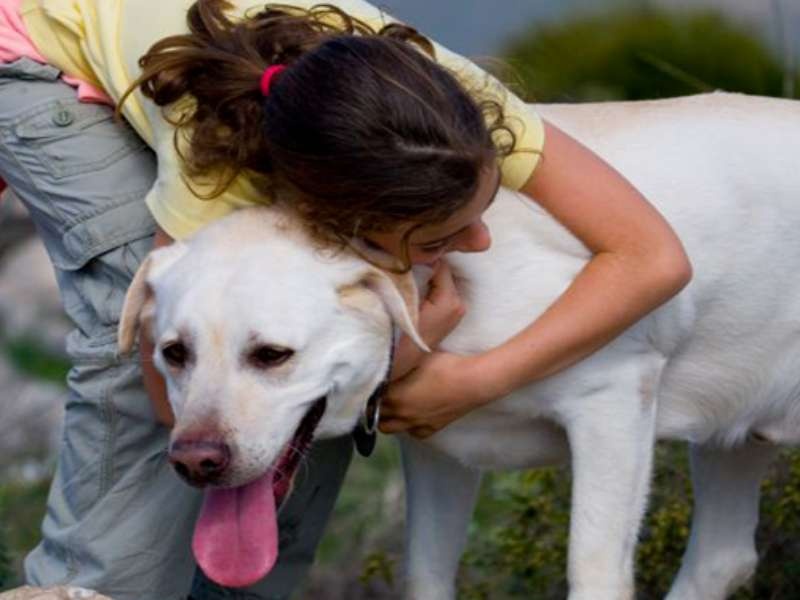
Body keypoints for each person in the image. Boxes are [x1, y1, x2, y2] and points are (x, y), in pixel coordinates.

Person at [0, 0, 691, 598]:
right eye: (440, 237)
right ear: (333, 216)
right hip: (33, 43)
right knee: (152, 311)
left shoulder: (459, 112)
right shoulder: (212, 178)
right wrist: (404, 357)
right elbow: (162, 395)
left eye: (480, 212)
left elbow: (654, 257)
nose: (478, 243)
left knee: (316, 361)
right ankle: (88, 589)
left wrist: (475, 380)